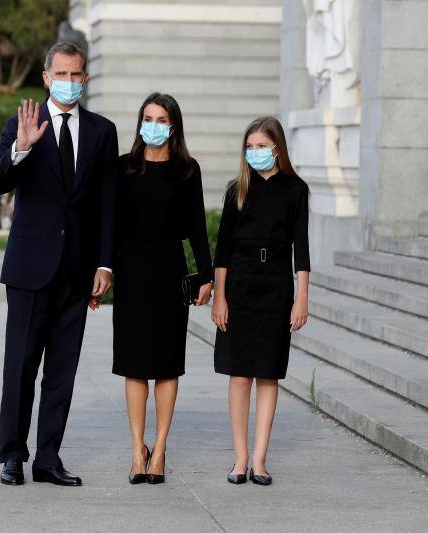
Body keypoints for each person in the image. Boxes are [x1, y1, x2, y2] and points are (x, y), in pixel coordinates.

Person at [0, 42, 118, 487]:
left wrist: (105, 264)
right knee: (20, 365)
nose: (69, 81)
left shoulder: (103, 131)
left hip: (78, 270)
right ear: (46, 78)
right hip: (29, 268)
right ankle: (12, 455)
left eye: (76, 74)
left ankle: (48, 457)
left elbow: (107, 204)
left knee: (63, 368)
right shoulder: (22, 123)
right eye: (61, 74)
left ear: (85, 78)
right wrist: (21, 148)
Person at [110, 93, 212, 485]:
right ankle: (138, 449)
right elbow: (110, 226)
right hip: (131, 273)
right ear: (140, 122)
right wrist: (102, 271)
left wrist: (206, 276)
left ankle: (161, 448)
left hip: (169, 273)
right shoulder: (124, 168)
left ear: (173, 126)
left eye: (161, 118)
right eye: (147, 117)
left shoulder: (188, 170)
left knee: (167, 367)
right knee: (134, 366)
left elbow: (198, 229)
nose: (153, 124)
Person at [211, 116, 310, 486]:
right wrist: (219, 297)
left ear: (277, 149)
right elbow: (222, 249)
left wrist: (302, 297)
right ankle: (239, 459)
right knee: (239, 376)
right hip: (239, 284)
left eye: (261, 146)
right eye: (249, 146)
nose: (255, 153)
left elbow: (302, 247)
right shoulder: (237, 189)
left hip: (276, 287)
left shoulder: (296, 190)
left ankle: (260, 460)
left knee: (268, 374)